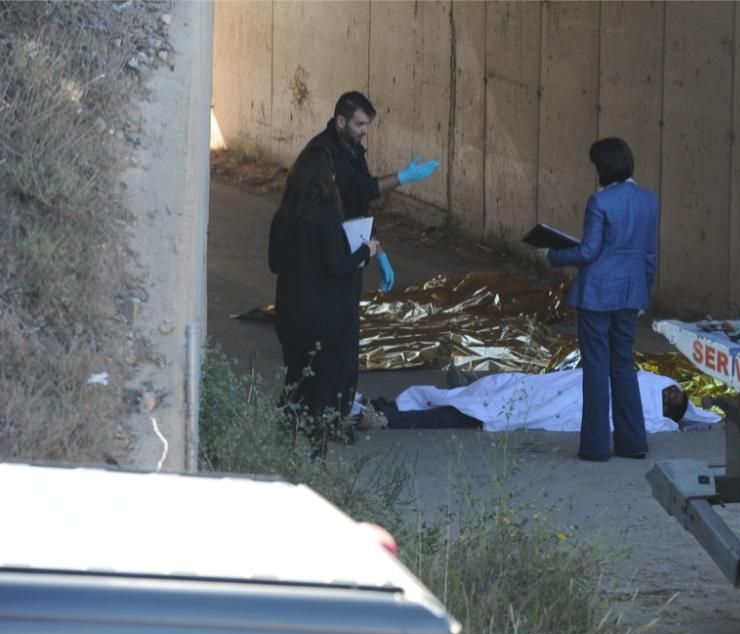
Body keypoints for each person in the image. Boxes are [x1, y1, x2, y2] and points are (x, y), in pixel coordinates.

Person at [543, 138, 660, 461]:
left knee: (596, 366)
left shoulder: (600, 202)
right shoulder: (649, 200)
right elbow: (650, 255)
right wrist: (643, 295)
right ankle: (633, 442)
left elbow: (588, 251)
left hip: (596, 293)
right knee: (623, 365)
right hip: (630, 292)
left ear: (604, 168)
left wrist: (552, 255)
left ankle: (595, 447)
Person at [267, 143, 380, 456]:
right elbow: (337, 266)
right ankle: (315, 450)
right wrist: (365, 251)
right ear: (324, 178)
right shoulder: (326, 216)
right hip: (324, 318)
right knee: (322, 386)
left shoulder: (283, 216)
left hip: (289, 315)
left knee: (296, 377)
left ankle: (281, 441)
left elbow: (274, 263)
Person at [306, 91, 439, 294]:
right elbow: (357, 191)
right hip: (327, 247)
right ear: (341, 121)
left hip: (348, 248)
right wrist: (400, 178)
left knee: (347, 309)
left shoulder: (353, 149)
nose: (365, 131)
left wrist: (379, 251)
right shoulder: (323, 153)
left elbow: (360, 205)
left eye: (367, 124)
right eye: (359, 124)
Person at [356, 369, 717, 442]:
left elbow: (659, 422)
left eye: (675, 399)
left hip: (545, 402)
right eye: (675, 391)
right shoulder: (639, 381)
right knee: (481, 396)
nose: (673, 393)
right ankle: (386, 409)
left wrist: (682, 417)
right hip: (545, 387)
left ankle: (387, 418)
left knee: (477, 411)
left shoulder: (649, 411)